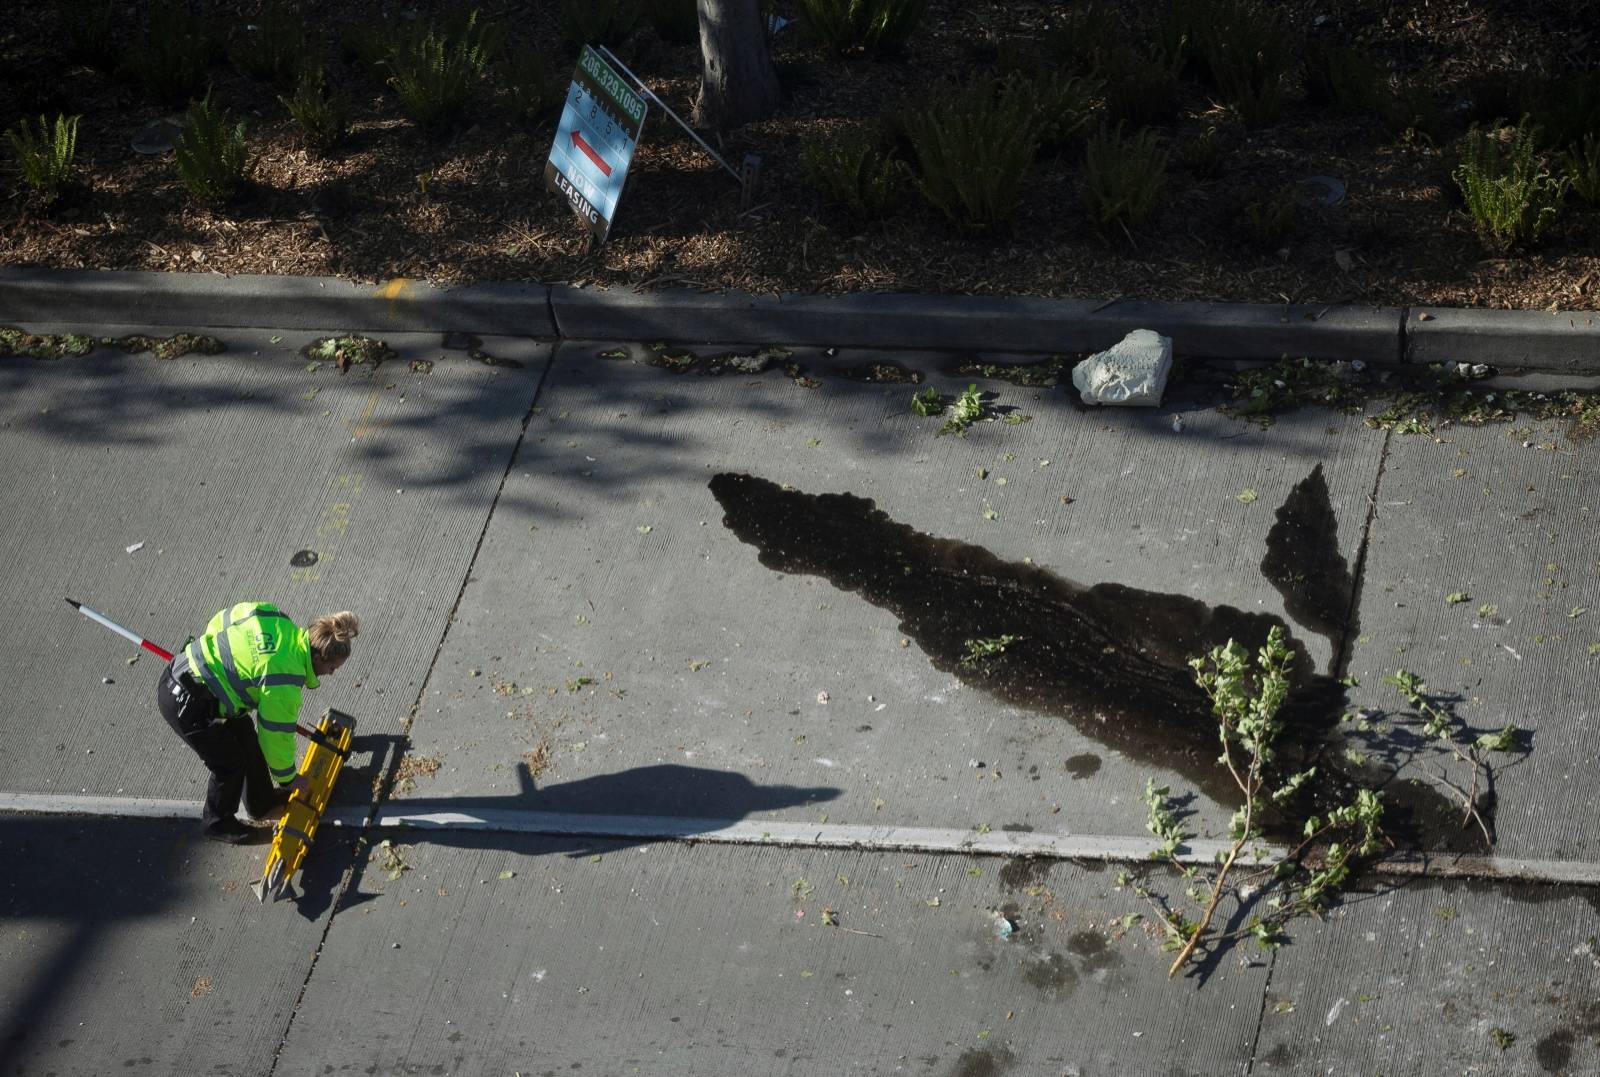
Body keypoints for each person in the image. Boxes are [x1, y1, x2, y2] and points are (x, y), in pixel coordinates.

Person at [156, 603, 358, 843]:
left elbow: (226, 618)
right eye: (332, 667)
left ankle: (261, 803)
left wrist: (220, 662)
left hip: (184, 672)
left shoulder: (278, 620)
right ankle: (218, 824)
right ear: (317, 657)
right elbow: (275, 735)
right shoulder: (285, 679)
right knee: (229, 762)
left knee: (244, 734)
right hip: (187, 705)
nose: (332, 673)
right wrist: (289, 778)